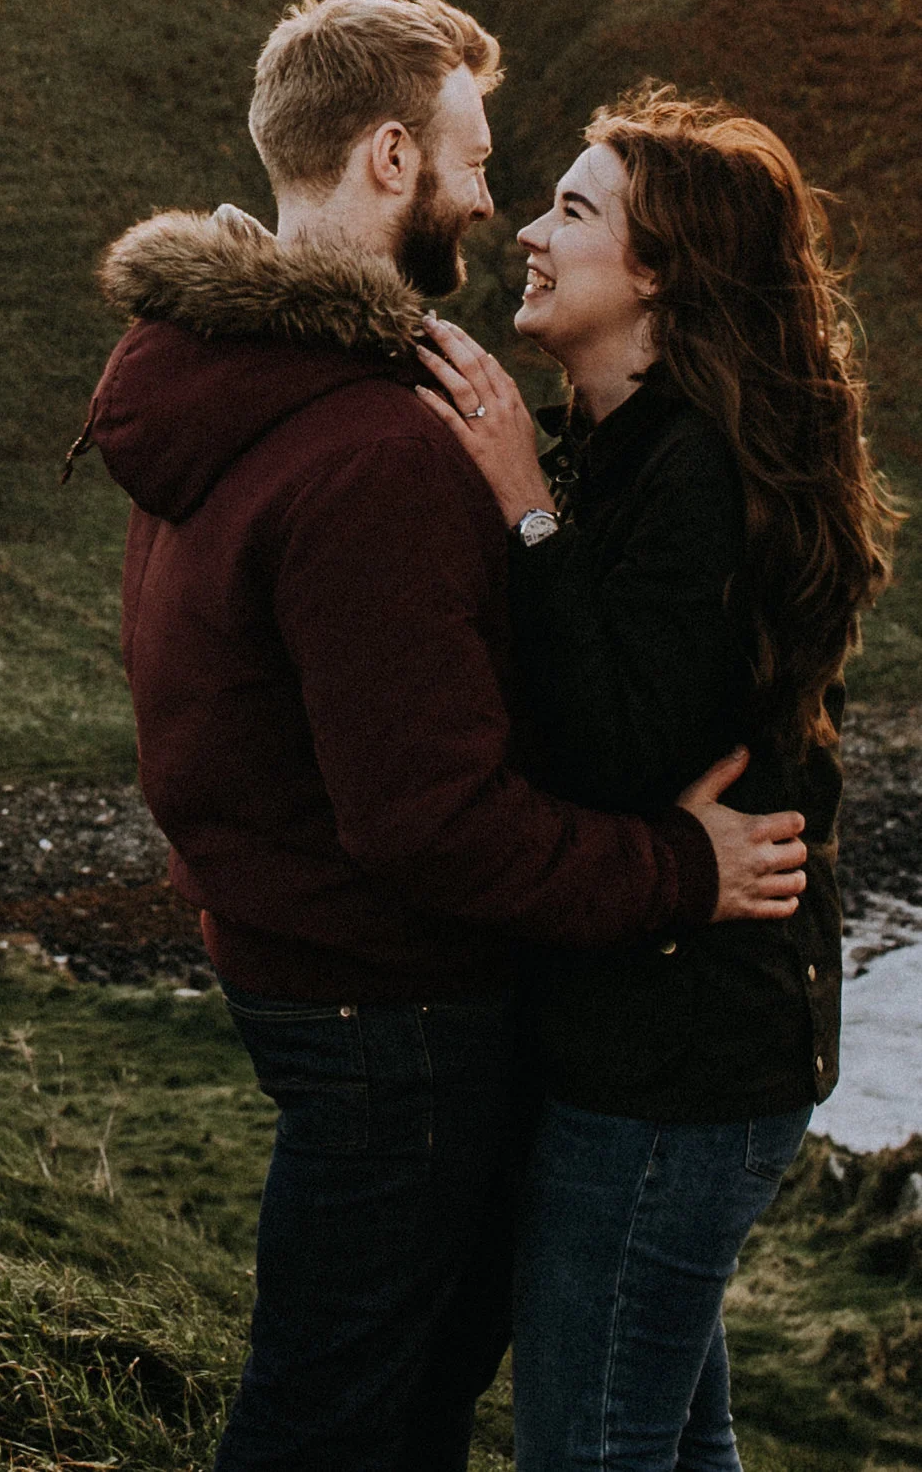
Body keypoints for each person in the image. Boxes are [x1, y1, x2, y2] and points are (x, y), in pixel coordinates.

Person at [73, 0, 813, 1472]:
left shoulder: (213, 379)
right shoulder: (370, 448)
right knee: (347, 1425)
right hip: (390, 1023)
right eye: (477, 161)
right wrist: (682, 869)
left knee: (367, 1404)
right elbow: (432, 820)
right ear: (394, 156)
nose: (495, 200)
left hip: (304, 976)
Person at [412, 87, 896, 1472]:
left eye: (574, 210)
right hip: (686, 1051)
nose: (531, 234)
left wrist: (523, 500)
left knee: (590, 1449)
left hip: (677, 1069)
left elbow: (619, 745)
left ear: (658, 273)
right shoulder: (645, 452)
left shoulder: (688, 470)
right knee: (673, 1442)